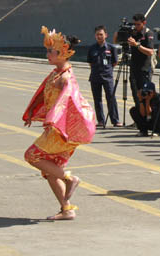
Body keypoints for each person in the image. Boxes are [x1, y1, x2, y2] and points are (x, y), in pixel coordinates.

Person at [23, 27, 96, 220]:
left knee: (32, 156)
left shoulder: (65, 76)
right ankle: (66, 209)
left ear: (62, 53)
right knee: (50, 171)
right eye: (47, 50)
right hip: (55, 128)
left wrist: (52, 119)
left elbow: (68, 95)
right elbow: (42, 94)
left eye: (51, 51)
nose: (47, 54)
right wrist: (32, 112)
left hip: (61, 130)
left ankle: (70, 178)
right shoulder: (56, 73)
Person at [87, 25, 120, 127]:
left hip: (107, 77)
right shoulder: (92, 48)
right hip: (95, 77)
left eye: (101, 34)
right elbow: (90, 62)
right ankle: (101, 121)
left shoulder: (111, 48)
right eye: (97, 35)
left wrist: (107, 70)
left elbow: (114, 62)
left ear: (106, 35)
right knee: (97, 99)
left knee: (111, 98)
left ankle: (115, 120)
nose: (99, 36)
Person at [125, 13, 155, 110]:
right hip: (134, 68)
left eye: (138, 24)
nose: (136, 27)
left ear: (144, 23)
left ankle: (148, 117)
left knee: (145, 95)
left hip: (144, 69)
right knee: (136, 94)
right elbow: (117, 41)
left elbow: (150, 52)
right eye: (135, 24)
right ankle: (139, 118)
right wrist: (121, 32)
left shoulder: (148, 33)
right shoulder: (133, 33)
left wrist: (136, 45)